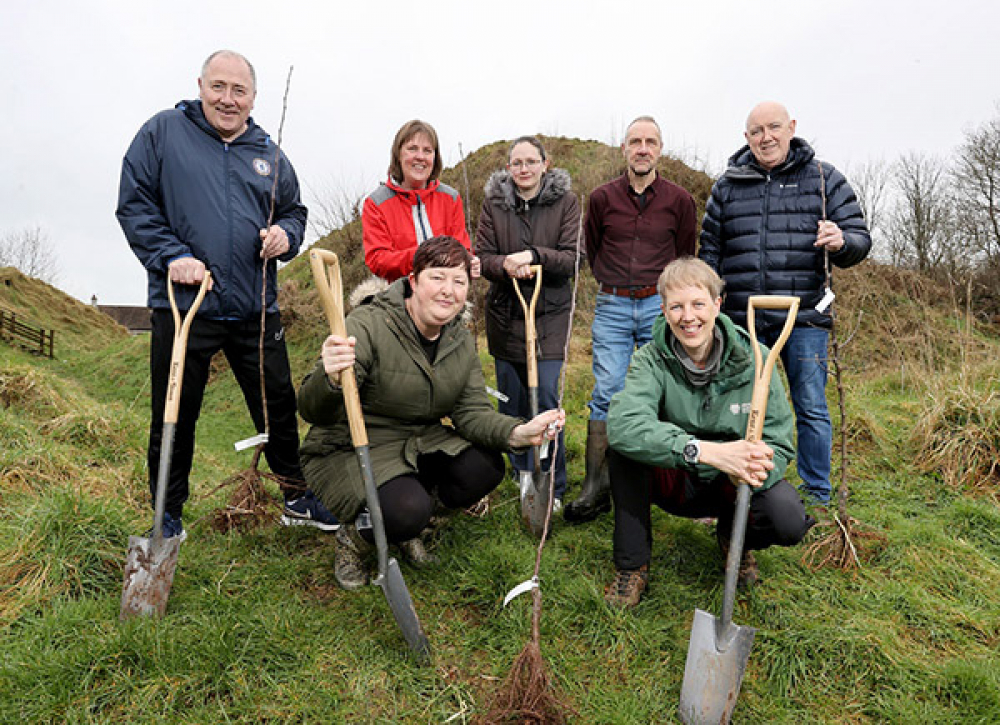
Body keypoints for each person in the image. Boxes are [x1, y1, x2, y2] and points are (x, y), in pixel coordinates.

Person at [116, 49, 338, 539]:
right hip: (185, 305)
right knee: (176, 410)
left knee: (276, 403)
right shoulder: (163, 133)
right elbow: (134, 204)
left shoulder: (268, 152)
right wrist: (173, 255)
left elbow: (295, 211)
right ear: (200, 86)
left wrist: (286, 234)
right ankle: (166, 515)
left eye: (239, 90)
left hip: (256, 305)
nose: (228, 98)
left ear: (253, 97)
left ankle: (295, 495)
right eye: (219, 87)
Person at [298, 236, 564, 590]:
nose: (448, 291)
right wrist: (329, 377)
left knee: (485, 467)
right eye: (437, 277)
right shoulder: (368, 325)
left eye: (458, 281)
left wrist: (518, 432)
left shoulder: (459, 339)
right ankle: (356, 539)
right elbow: (311, 409)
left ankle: (409, 530)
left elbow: (471, 413)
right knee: (407, 508)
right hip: (351, 442)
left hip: (419, 438)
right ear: (413, 282)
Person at [604, 258, 815, 607]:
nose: (688, 317)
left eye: (698, 304)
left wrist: (748, 470)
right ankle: (632, 566)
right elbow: (624, 424)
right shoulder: (651, 359)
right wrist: (701, 450)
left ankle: (734, 539)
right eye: (677, 306)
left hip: (731, 488)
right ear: (664, 310)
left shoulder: (757, 359)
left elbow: (779, 440)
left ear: (717, 305)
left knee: (787, 518)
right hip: (676, 477)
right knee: (622, 454)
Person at [699, 101, 872, 504]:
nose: (766, 137)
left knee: (809, 405)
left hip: (805, 315)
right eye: (756, 131)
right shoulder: (727, 185)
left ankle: (816, 492)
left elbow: (859, 240)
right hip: (742, 316)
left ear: (791, 127)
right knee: (732, 405)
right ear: (746, 138)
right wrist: (709, 301)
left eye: (773, 127)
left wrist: (842, 241)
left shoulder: (823, 179)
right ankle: (727, 483)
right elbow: (710, 250)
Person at [563, 116, 698, 523]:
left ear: (660, 149)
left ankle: (670, 482)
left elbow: (685, 255)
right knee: (607, 390)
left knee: (668, 390)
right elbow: (594, 248)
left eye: (650, 141)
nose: (643, 148)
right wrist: (618, 280)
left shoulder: (679, 201)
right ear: (624, 148)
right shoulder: (602, 198)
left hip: (661, 307)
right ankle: (596, 485)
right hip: (614, 306)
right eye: (635, 141)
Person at [477, 136, 580, 510]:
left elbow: (570, 259)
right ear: (508, 167)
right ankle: (524, 471)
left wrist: (534, 255)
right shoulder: (493, 205)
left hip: (549, 314)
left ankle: (553, 481)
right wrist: (503, 264)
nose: (524, 169)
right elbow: (482, 258)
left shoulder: (565, 203)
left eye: (531, 162)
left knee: (548, 398)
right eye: (517, 163)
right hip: (506, 315)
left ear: (544, 164)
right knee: (513, 401)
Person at [362, 119, 480, 281]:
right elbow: (378, 261)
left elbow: (462, 249)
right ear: (398, 154)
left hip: (445, 293)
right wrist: (425, 255)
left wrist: (470, 263)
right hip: (399, 296)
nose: (420, 157)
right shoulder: (376, 203)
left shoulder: (450, 198)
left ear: (435, 157)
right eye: (412, 149)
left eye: (427, 151)